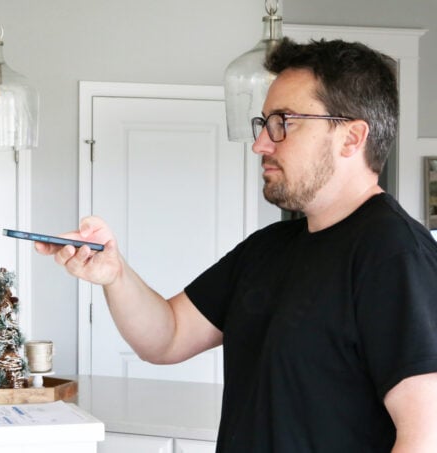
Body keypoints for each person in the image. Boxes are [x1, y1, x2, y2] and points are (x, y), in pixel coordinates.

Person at [35, 38, 437, 452]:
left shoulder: (394, 254)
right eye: (263, 124)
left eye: (284, 121)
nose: (261, 143)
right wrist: (114, 274)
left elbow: (426, 436)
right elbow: (167, 337)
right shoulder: (269, 248)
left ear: (351, 138)